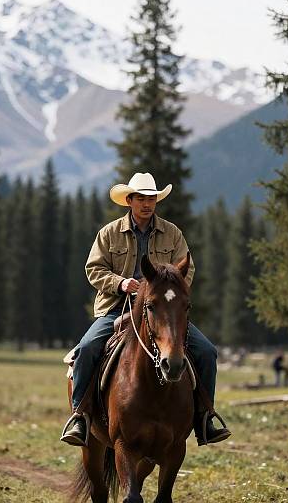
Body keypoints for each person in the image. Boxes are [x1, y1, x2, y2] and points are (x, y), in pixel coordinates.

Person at [60, 172, 231, 447]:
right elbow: (93, 269)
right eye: (141, 198)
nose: (147, 203)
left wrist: (165, 293)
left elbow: (187, 268)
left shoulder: (173, 234)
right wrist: (120, 283)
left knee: (207, 352)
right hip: (116, 307)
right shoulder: (109, 233)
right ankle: (80, 416)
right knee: (88, 347)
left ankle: (204, 418)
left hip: (160, 310)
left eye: (151, 198)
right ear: (129, 200)